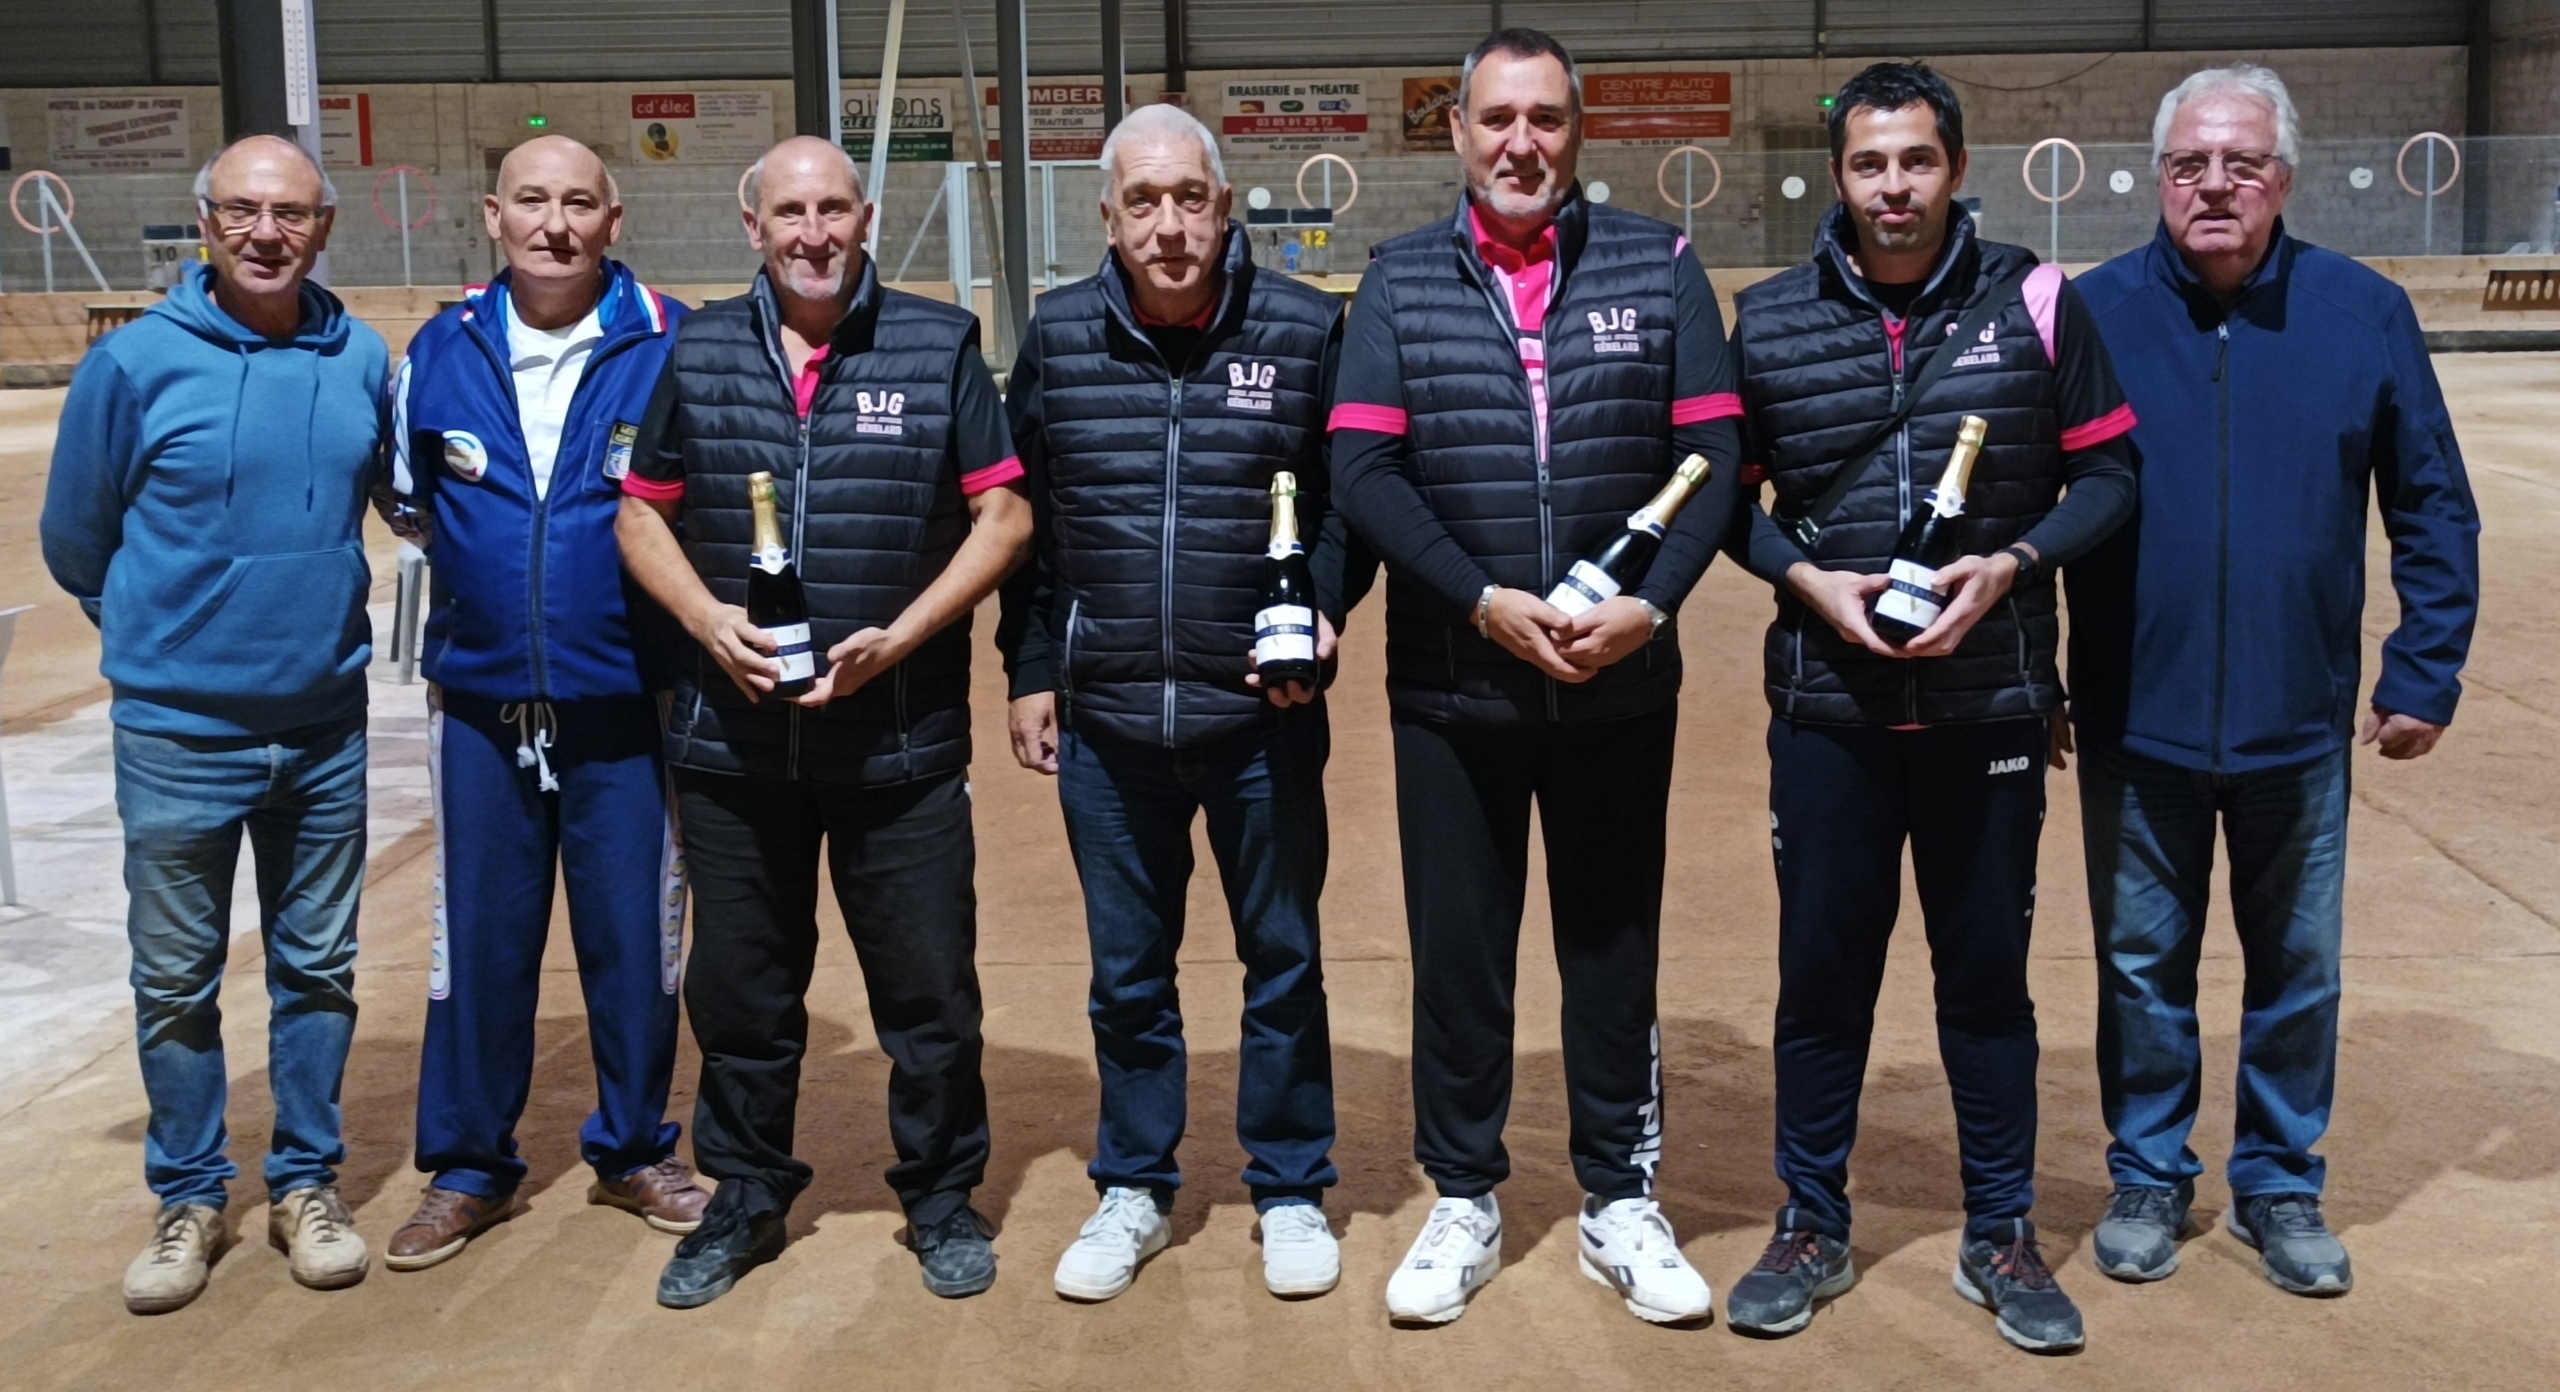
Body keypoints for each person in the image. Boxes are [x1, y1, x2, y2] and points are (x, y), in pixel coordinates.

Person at [1328, 28, 1744, 1327]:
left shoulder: (1660, 266)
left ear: (1580, 132)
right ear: (1456, 132)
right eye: (1498, 119)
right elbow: (1364, 474)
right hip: (1457, 685)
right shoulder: (1398, 282)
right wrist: (1480, 600)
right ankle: (1463, 1194)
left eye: (1547, 120)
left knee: (1612, 942)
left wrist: (1651, 604)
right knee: (1462, 952)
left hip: (1618, 682)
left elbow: (1714, 458)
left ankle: (1621, 1197)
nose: (1522, 144)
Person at [1719, 63, 2137, 1353]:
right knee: (1820, 980)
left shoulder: (2037, 301)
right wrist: (1804, 577)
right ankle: (1810, 1220)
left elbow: (2110, 472)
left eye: (1913, 161)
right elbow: (1719, 494)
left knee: (1986, 984)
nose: (1890, 188)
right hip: (1830, 710)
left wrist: (2012, 565)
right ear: (1834, 176)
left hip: (1989, 708)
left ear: (1954, 166)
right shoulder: (1773, 319)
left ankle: (2001, 1232)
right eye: (1866, 165)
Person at [2068, 64, 2480, 1298]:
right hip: (2135, 710)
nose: (2214, 185)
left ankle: (2278, 1184)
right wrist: (2031, 674)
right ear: (2157, 179)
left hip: (2297, 720)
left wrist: (2426, 665)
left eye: (2241, 163)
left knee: (2296, 967)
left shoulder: (2364, 311)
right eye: (2190, 163)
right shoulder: (2089, 316)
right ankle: (2147, 1170)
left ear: (2282, 180)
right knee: (2141, 965)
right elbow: (2022, 509)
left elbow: (2431, 501)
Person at [615, 136, 1032, 1308]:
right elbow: (640, 517)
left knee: (929, 995)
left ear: (866, 219)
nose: (812, 233)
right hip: (732, 745)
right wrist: (709, 625)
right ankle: (745, 1199)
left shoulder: (936, 342)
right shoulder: (694, 350)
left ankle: (941, 1198)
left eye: (833, 210)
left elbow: (1002, 519)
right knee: (742, 996)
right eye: (789, 212)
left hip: (897, 744)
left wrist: (900, 636)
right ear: (754, 227)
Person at [998, 103, 1361, 1303]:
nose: (1167, 226)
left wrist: (1323, 600)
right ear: (1107, 214)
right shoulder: (1054, 338)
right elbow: (1028, 530)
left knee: (1282, 956)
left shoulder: (1308, 330)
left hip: (1260, 715)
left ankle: (1292, 1186)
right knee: (1127, 973)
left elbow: (1348, 501)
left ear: (1224, 202)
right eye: (1141, 203)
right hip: (1107, 724)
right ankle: (1135, 1185)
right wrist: (1031, 667)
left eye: (1188, 199)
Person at [42, 135, 386, 1313]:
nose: (265, 233)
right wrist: (173, 635)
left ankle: (305, 1184)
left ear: (323, 228)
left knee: (318, 968)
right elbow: (76, 542)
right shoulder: (133, 366)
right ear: (207, 222)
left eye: (289, 213)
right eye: (241, 211)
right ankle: (189, 1194)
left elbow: (392, 496)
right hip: (179, 731)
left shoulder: (362, 360)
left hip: (326, 725)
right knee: (178, 976)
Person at [378, 135, 707, 1272]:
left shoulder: (673, 342)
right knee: (477, 940)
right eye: (531, 201)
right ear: (493, 215)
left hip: (629, 698)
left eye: (578, 202)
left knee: (636, 939)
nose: (554, 223)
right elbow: (413, 509)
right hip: (479, 706)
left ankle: (633, 1148)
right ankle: (469, 1166)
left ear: (614, 219)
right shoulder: (438, 350)